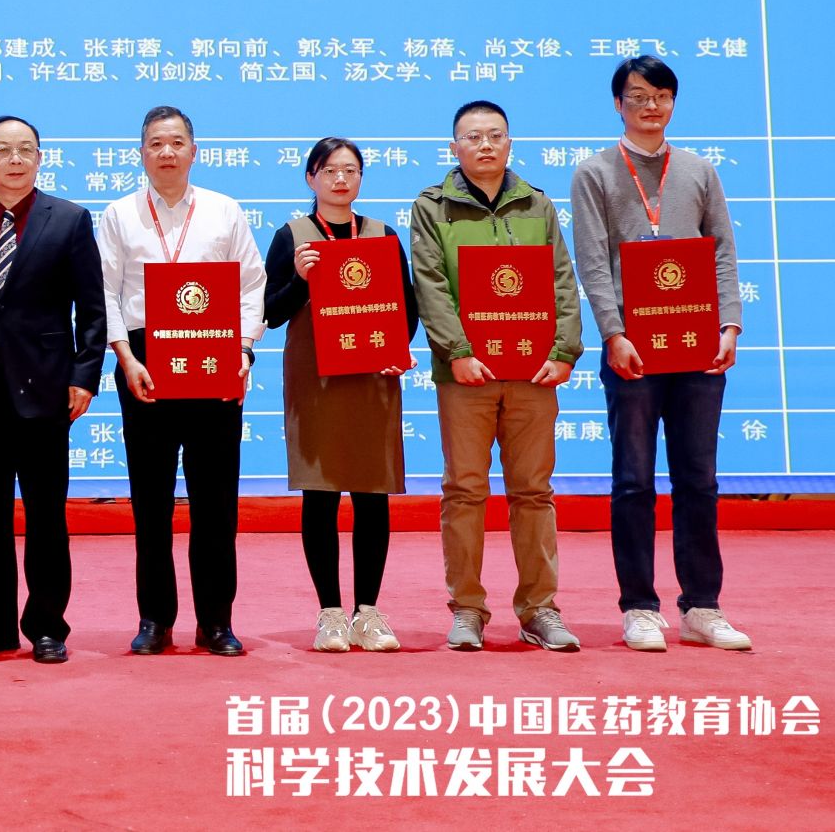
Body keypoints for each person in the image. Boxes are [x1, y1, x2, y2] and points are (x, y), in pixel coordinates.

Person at [571, 56, 750, 652]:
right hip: (633, 351)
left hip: (698, 348)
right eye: (638, 95)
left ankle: (702, 606)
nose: (651, 105)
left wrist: (729, 324)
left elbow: (721, 249)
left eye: (662, 95)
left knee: (699, 480)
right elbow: (593, 259)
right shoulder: (594, 172)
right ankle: (639, 608)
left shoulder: (698, 169)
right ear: (617, 104)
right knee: (633, 482)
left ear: (674, 102)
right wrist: (612, 333)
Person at [411, 99, 584, 653]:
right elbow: (430, 284)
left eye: (495, 135)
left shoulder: (537, 204)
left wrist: (565, 350)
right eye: (473, 136)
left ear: (510, 143)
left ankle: (540, 608)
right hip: (465, 375)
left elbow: (561, 278)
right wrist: (457, 352)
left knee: (533, 492)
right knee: (464, 491)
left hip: (533, 372)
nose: (485, 145)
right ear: (454, 147)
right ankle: (467, 609)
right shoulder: (432, 207)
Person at [0, 115, 107, 664]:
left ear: (39, 158)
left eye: (25, 149)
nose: (14, 159)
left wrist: (83, 377)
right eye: (2, 150)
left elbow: (92, 309)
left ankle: (48, 627)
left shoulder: (70, 219)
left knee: (46, 518)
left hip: (46, 392)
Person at [96, 105, 264, 658]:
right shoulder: (119, 214)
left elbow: (251, 286)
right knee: (151, 501)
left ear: (194, 151)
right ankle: (155, 619)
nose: (166, 152)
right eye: (155, 143)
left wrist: (243, 350)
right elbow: (107, 292)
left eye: (176, 142)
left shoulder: (224, 210)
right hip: (145, 364)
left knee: (216, 501)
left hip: (216, 359)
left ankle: (216, 621)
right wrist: (125, 358)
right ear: (141, 153)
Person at [263, 136, 419, 654]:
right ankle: (330, 614)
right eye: (329, 170)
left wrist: (398, 349)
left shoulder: (382, 234)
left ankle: (367, 613)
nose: (340, 179)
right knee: (321, 493)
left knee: (373, 494)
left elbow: (407, 307)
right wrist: (301, 279)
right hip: (316, 382)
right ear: (311, 177)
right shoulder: (292, 237)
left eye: (350, 170)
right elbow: (269, 312)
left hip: (372, 376)